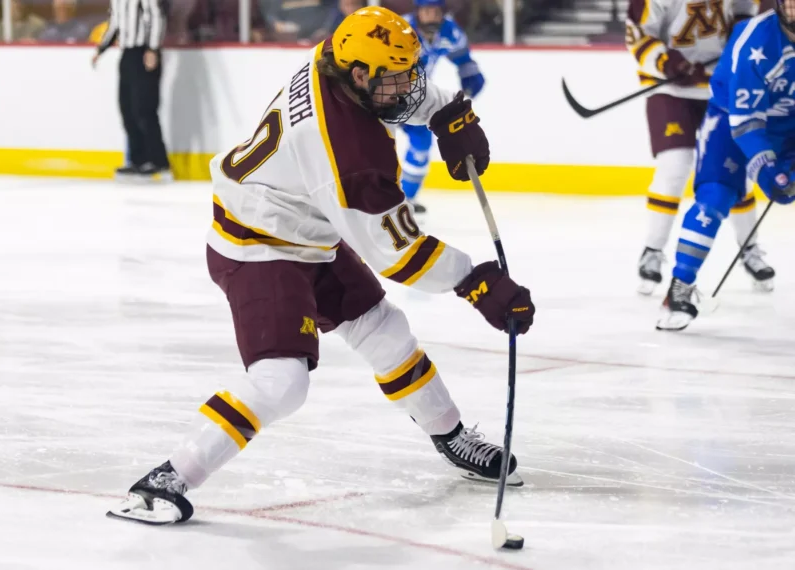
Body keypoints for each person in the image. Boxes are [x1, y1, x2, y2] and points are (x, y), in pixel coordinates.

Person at [106, 6, 535, 525]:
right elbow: (397, 254)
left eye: (410, 75)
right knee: (281, 381)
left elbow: (401, 92)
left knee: (385, 330)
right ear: (359, 76)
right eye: (397, 80)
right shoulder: (349, 154)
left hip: (304, 234)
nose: (409, 89)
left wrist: (450, 111)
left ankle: (450, 435)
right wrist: (476, 281)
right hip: (258, 247)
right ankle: (166, 479)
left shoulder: (331, 56)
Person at [657, 1, 795, 331]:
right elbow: (746, 120)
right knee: (715, 197)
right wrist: (766, 168)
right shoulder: (757, 42)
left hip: (789, 128)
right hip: (732, 123)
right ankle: (680, 285)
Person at [625, 0, 775, 295]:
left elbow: (746, 14)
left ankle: (749, 247)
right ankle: (653, 251)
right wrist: (667, 62)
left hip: (720, 85)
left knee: (735, 171)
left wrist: (739, 40)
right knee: (675, 166)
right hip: (669, 88)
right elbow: (639, 34)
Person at [400, 0, 484, 214]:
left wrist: (470, 75)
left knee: (421, 142)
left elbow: (462, 58)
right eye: (426, 11)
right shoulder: (401, 31)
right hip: (384, 93)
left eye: (436, 12)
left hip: (414, 97)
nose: (432, 16)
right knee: (375, 141)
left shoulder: (449, 31)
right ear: (417, 12)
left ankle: (405, 198)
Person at [92, 0, 171, 181]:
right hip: (127, 53)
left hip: (143, 52)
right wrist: (101, 48)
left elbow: (157, 16)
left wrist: (152, 48)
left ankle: (159, 161)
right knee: (127, 107)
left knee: (144, 108)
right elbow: (114, 23)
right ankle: (138, 160)